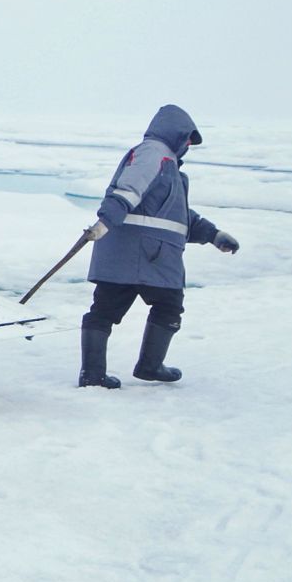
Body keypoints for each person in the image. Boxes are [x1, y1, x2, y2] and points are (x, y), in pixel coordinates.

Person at [77, 104, 240, 389]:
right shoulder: (154, 153)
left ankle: (93, 374)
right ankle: (149, 366)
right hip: (152, 255)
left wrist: (214, 235)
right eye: (188, 138)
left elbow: (175, 216)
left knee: (103, 309)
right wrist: (105, 221)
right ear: (175, 132)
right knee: (168, 306)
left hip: (126, 253)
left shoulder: (169, 169)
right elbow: (128, 189)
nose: (188, 144)